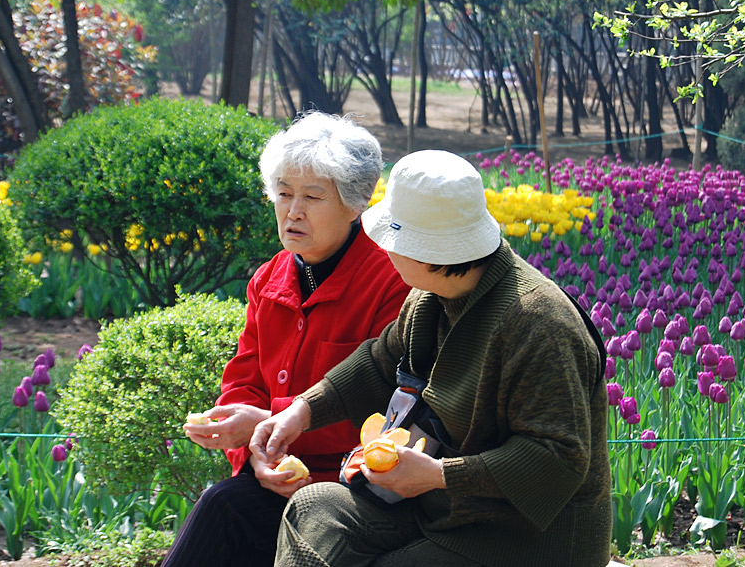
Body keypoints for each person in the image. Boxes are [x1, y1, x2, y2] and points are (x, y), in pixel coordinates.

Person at [250, 150, 612, 567]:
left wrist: (438, 476)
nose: (382, 248)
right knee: (314, 509)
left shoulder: (536, 322)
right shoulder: (431, 296)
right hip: (443, 510)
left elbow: (557, 458)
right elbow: (379, 363)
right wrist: (301, 412)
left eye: (392, 239)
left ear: (427, 252)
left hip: (528, 537)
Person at [162, 112, 411, 567]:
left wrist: (266, 423)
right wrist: (253, 453)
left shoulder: (390, 281)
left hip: (353, 487)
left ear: (356, 203)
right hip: (275, 473)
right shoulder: (270, 277)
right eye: (283, 193)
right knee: (227, 503)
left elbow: (388, 406)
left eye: (312, 196)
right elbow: (243, 383)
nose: (292, 211)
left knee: (224, 509)